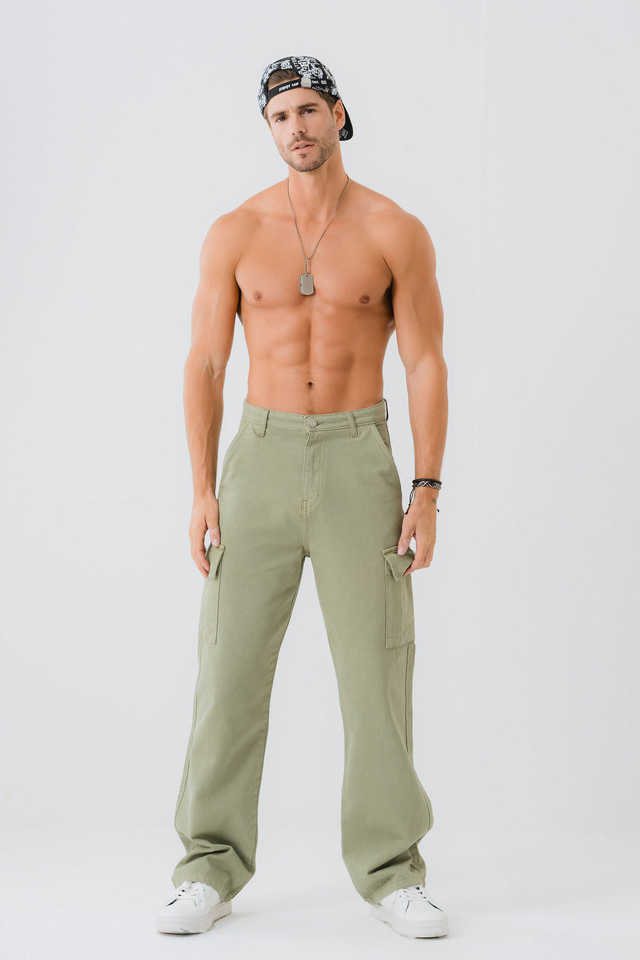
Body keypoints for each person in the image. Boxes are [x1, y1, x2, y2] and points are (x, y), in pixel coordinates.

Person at [156, 55, 449, 940]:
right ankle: (208, 867)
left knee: (376, 673)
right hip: (261, 458)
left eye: (310, 109)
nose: (298, 127)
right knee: (229, 673)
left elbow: (424, 362)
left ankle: (392, 872)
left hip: (360, 457)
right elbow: (207, 363)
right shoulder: (235, 232)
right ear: (270, 128)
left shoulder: (395, 230)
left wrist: (426, 488)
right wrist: (202, 489)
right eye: (281, 115)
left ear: (339, 114)